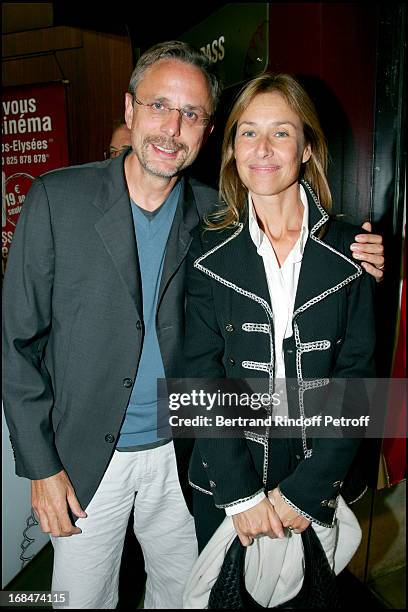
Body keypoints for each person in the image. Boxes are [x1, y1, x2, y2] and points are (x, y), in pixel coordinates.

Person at [2, 41, 383, 609]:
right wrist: (40, 467)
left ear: (207, 133)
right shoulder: (58, 199)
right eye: (159, 106)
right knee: (80, 600)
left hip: (186, 456)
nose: (172, 127)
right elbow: (17, 342)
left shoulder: (215, 216)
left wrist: (355, 249)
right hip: (87, 459)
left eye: (192, 114)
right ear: (129, 110)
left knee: (188, 597)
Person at [184, 73, 377, 559]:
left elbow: (359, 379)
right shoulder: (206, 249)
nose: (263, 148)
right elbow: (197, 374)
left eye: (282, 132)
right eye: (248, 132)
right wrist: (241, 494)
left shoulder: (353, 249)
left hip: (316, 485)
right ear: (231, 150)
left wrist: (306, 491)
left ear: (307, 148)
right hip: (227, 485)